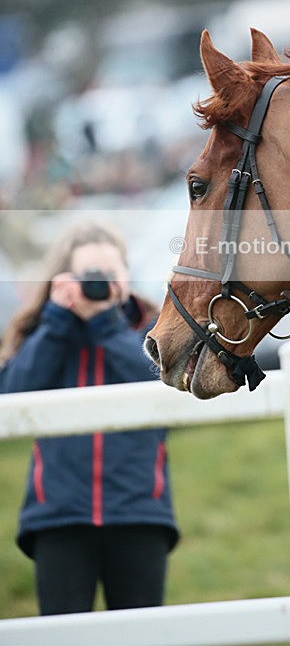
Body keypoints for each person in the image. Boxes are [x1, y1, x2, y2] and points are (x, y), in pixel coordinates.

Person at [0, 221, 179, 616]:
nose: (99, 283)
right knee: (62, 635)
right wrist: (56, 321)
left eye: (110, 273)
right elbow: (12, 397)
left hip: (139, 511)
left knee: (139, 635)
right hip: (58, 515)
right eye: (88, 275)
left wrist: (105, 324)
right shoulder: (46, 330)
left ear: (127, 276)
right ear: (64, 279)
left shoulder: (154, 329)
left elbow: (163, 389)